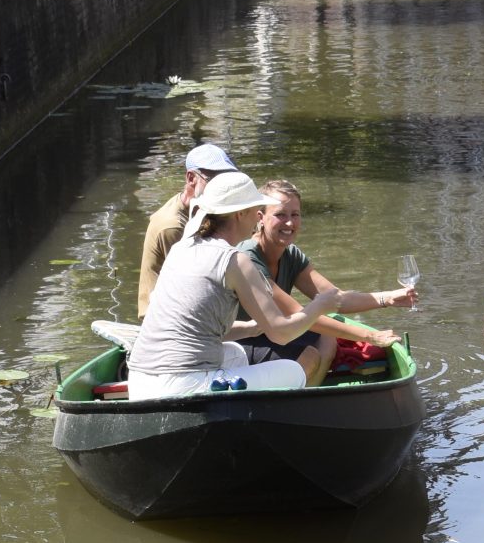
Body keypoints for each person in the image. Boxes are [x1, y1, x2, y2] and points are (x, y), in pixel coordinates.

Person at [125, 172, 352, 401]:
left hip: (139, 382)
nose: (258, 216)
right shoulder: (235, 261)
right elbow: (281, 334)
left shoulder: (182, 248)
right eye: (255, 208)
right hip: (184, 384)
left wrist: (252, 328)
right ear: (240, 214)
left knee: (237, 353)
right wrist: (320, 306)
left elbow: (199, 327)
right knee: (297, 367)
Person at [234, 179, 419, 384]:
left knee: (327, 338)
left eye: (295, 215)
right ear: (260, 218)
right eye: (280, 215)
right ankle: (290, 397)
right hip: (239, 340)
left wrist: (388, 298)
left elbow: (336, 298)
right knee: (309, 356)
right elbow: (297, 313)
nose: (290, 223)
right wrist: (369, 336)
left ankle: (309, 393)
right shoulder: (248, 258)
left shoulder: (290, 254)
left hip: (274, 333)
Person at [136, 142, 236, 319]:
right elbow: (192, 283)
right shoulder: (172, 226)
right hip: (163, 318)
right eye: (213, 180)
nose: (221, 187)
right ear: (191, 178)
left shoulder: (203, 210)